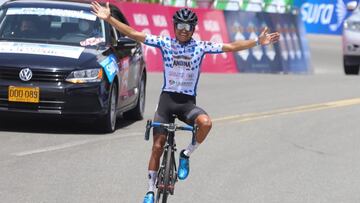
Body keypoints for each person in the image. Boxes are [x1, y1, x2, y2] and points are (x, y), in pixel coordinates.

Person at [91, 2, 280, 203]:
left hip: (187, 104)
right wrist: (110, 19)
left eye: (188, 27)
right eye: (180, 26)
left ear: (193, 30)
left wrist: (258, 42)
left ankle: (185, 154)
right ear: (174, 27)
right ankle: (149, 191)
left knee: (206, 123)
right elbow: (134, 34)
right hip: (167, 102)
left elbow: (231, 46)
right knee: (157, 146)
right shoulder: (164, 43)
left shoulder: (200, 47)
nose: (183, 31)